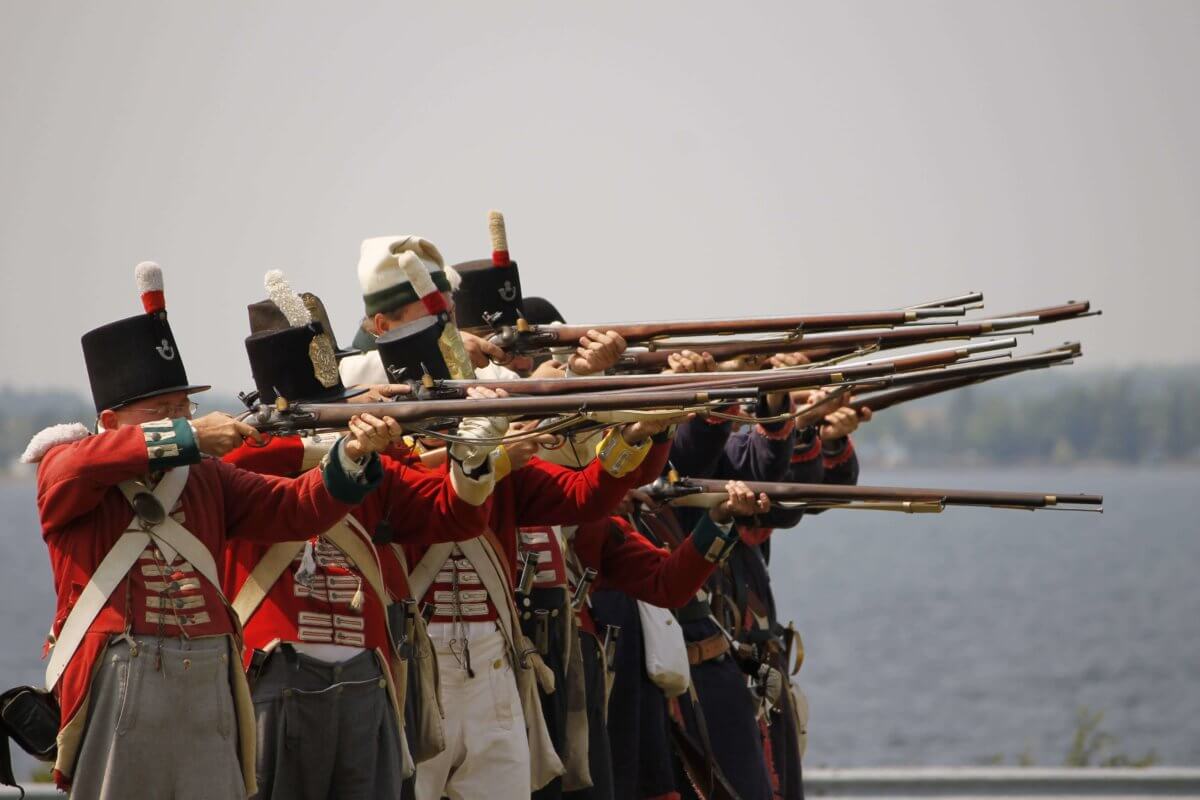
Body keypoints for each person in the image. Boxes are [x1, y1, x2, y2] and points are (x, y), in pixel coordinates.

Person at [25, 264, 389, 800]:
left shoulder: (206, 479)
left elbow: (291, 507)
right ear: (111, 421)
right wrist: (189, 435)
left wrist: (352, 454)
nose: (179, 418)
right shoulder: (71, 467)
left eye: (183, 407)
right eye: (162, 410)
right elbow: (75, 467)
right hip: (120, 678)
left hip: (210, 675)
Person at [219, 281, 507, 800]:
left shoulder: (369, 462)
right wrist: (339, 448)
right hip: (272, 672)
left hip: (366, 671)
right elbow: (244, 463)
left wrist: (473, 454)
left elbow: (455, 515)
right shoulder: (245, 458)